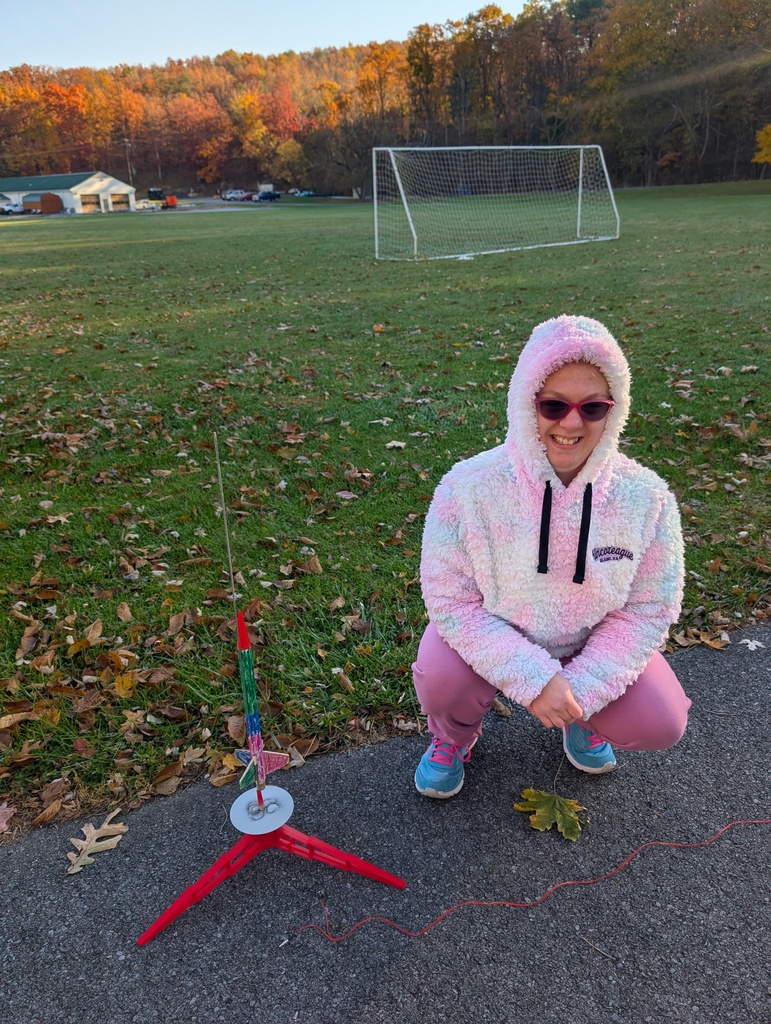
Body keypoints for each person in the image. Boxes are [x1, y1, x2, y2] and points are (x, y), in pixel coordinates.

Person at [413, 314, 691, 798]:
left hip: (592, 646)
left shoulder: (647, 497)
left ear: (615, 410)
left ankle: (583, 721)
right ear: (526, 405)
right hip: (496, 635)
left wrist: (580, 690)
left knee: (662, 720)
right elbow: (451, 604)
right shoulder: (467, 488)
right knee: (440, 675)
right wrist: (530, 677)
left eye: (593, 407)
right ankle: (454, 739)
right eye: (553, 405)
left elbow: (648, 611)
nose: (571, 422)